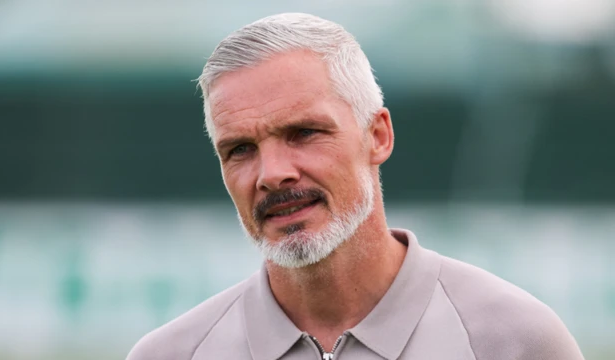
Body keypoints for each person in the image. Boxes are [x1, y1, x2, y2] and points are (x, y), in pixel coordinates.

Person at [126, 13, 584, 360]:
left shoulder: (515, 340)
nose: (272, 173)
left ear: (378, 135)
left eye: (303, 133)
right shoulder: (172, 354)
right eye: (241, 149)